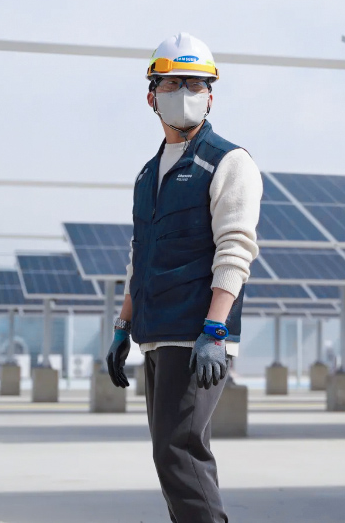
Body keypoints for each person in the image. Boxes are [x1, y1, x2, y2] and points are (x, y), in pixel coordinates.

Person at [105, 32, 261, 523]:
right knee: (172, 456)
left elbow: (235, 250)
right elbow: (141, 256)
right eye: (174, 83)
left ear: (211, 95)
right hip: (156, 335)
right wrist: (122, 326)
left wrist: (215, 330)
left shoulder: (228, 162)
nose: (186, 92)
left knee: (179, 452)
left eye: (197, 83)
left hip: (196, 336)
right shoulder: (148, 174)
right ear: (152, 95)